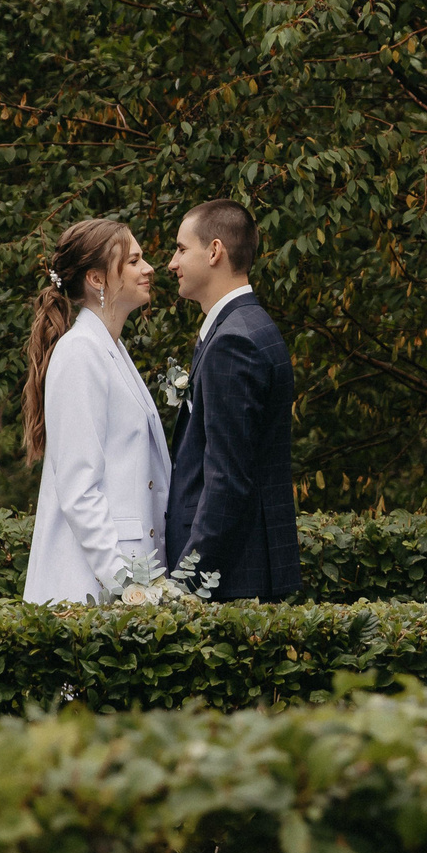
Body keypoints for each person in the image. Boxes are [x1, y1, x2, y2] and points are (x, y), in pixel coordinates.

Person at [21, 218, 172, 604]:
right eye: (134, 261)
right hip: (91, 586)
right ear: (98, 279)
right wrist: (127, 586)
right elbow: (79, 490)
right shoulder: (80, 353)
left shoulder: (111, 349)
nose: (149, 268)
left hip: (132, 574)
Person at [164, 199, 300, 601]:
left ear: (214, 251)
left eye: (181, 249)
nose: (172, 263)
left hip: (233, 579)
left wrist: (186, 584)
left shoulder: (234, 341)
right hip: (246, 570)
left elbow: (227, 479)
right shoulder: (248, 326)